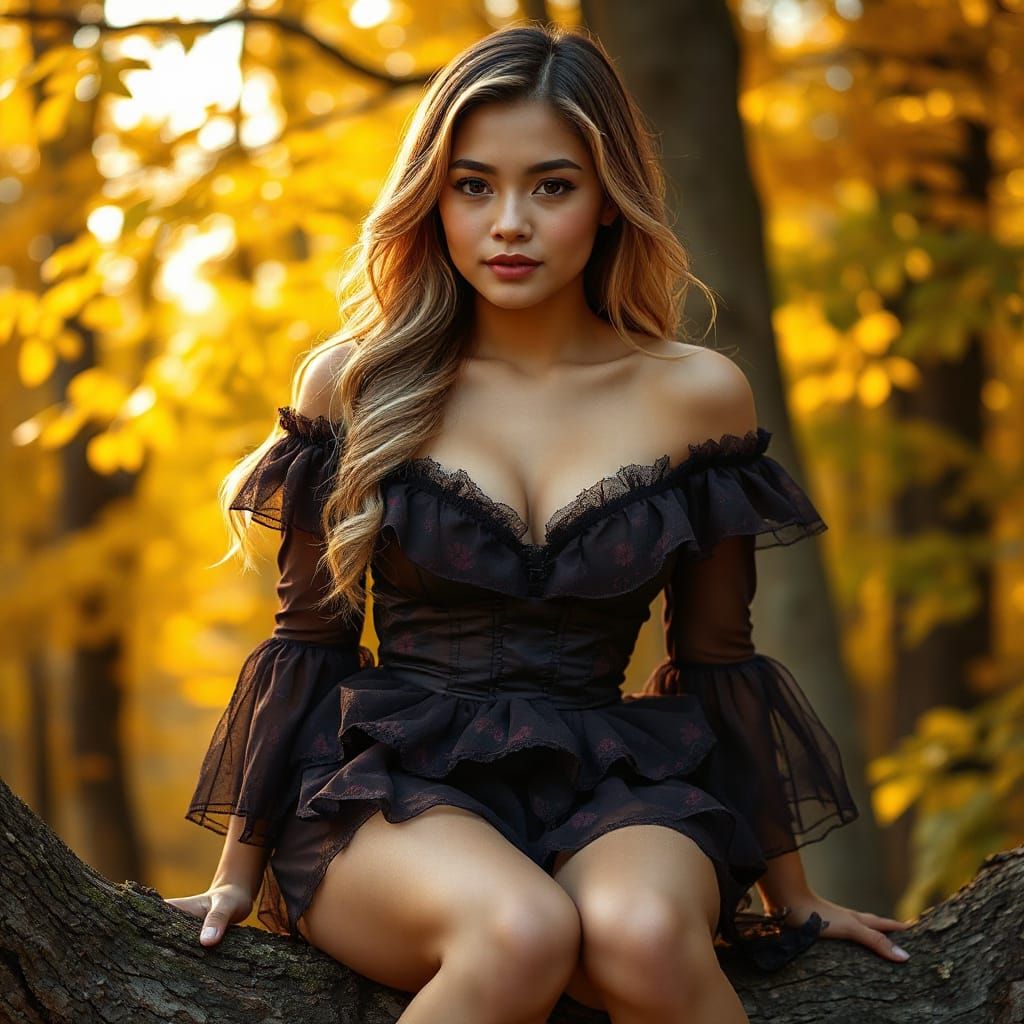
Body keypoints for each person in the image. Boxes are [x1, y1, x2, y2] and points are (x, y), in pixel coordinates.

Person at [164, 22, 910, 1024]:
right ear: (434, 198)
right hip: (387, 781)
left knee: (644, 935)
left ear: (608, 201)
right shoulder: (358, 382)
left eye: (550, 186)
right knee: (517, 931)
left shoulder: (698, 395)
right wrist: (234, 870)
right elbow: (307, 638)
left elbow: (720, 654)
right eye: (473, 185)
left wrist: (794, 896)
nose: (507, 221)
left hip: (616, 776)